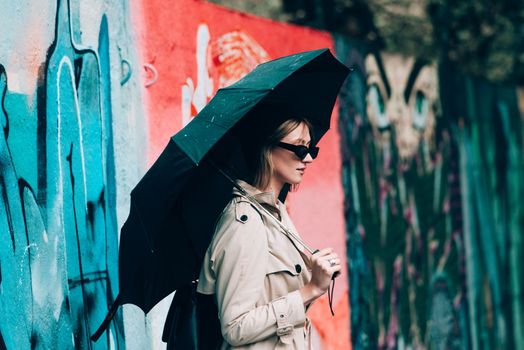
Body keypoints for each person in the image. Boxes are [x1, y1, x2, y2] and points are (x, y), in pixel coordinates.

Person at [197, 117, 342, 349]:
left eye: (311, 148)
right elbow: (235, 327)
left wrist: (315, 276)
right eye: (300, 148)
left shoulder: (276, 213)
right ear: (267, 148)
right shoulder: (244, 222)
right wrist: (310, 289)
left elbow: (278, 305)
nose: (309, 158)